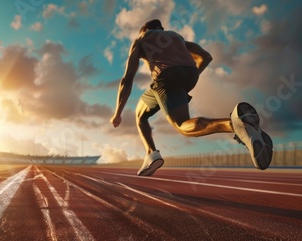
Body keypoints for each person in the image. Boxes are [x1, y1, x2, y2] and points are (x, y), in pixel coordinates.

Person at [110, 19, 273, 176]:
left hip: (166, 76)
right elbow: (206, 57)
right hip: (189, 75)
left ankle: (233, 125)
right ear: (162, 29)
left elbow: (127, 79)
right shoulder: (177, 37)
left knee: (182, 125)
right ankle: (151, 154)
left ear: (144, 29)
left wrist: (117, 113)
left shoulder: (141, 38)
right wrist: (189, 75)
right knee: (140, 113)